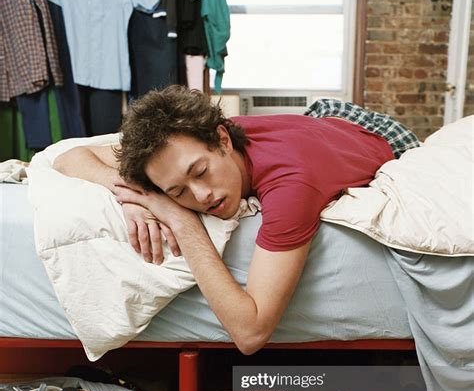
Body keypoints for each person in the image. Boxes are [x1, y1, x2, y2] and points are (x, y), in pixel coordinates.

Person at [53, 86, 419, 354]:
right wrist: (130, 196)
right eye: (177, 191)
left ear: (223, 139)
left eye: (200, 171)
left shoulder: (292, 186)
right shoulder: (190, 143)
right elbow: (70, 157)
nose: (201, 197)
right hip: (321, 125)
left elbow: (251, 333)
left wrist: (180, 220)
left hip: (379, 136)